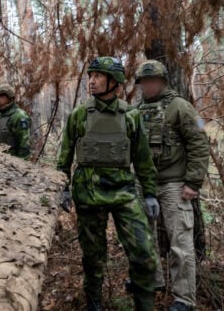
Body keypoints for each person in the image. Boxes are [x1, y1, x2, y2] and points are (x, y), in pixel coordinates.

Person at [57, 57, 159, 311]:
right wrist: (63, 188)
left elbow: (143, 159)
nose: (91, 81)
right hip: (88, 195)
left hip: (124, 194)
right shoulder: (79, 115)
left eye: (98, 76)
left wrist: (149, 194)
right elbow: (64, 158)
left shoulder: (131, 116)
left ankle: (144, 305)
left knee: (143, 254)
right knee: (93, 258)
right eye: (90, 76)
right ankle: (94, 304)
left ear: (114, 82)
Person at [135, 60, 209, 311]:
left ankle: (184, 299)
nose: (148, 85)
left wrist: (193, 181)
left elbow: (200, 142)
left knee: (181, 244)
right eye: (144, 81)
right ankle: (151, 281)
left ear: (163, 81)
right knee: (143, 238)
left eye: (152, 80)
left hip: (175, 186)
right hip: (145, 185)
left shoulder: (181, 107)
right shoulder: (137, 110)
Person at [0, 83, 31, 159]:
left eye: (0, 97)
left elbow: (24, 146)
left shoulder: (19, 116)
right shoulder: (0, 116)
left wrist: (21, 167)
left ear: (8, 97)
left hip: (12, 164)